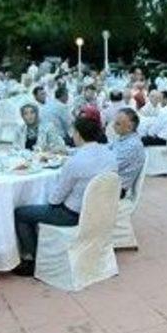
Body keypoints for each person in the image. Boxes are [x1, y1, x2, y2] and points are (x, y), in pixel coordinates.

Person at [11, 117, 115, 276]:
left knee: (21, 213)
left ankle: (33, 260)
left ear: (78, 134)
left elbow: (55, 200)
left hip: (73, 215)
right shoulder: (110, 155)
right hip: (100, 211)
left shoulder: (75, 162)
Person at [108, 107, 146, 196]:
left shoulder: (132, 146)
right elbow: (107, 149)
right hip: (110, 181)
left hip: (115, 189)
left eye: (117, 124)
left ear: (129, 127)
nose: (113, 126)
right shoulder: (123, 138)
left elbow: (109, 166)